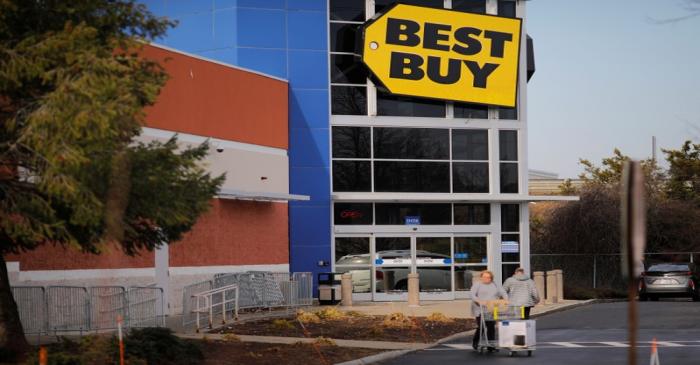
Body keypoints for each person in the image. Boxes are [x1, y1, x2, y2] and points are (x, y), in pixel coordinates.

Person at [471, 270, 508, 350]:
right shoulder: (477, 285)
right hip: (480, 308)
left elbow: (503, 292)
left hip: (492, 308)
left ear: (491, 278)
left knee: (491, 326)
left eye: (488, 277)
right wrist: (479, 301)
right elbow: (472, 295)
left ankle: (491, 345)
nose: (486, 279)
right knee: (482, 326)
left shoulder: (495, 285)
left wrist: (506, 300)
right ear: (481, 277)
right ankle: (475, 342)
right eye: (484, 277)